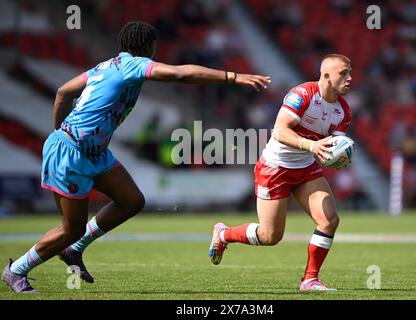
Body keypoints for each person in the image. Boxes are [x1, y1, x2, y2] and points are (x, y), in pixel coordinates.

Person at [2, 21, 271, 293]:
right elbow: (179, 74)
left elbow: (63, 92)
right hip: (72, 153)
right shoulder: (133, 65)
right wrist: (232, 77)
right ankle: (16, 270)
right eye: (154, 47)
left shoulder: (106, 66)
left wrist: (59, 128)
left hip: (92, 152)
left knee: (132, 200)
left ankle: (75, 249)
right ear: (147, 47)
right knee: (71, 228)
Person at [209, 54, 353, 291]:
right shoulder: (303, 95)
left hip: (306, 168)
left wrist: (339, 157)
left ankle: (310, 280)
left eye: (350, 73)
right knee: (270, 236)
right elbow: (279, 131)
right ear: (326, 76)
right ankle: (224, 234)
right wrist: (312, 146)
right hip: (275, 167)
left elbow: (333, 149)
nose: (349, 78)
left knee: (329, 220)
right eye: (343, 73)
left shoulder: (344, 111)